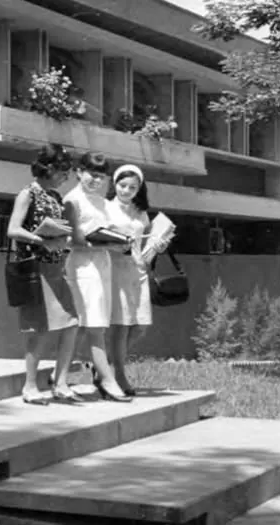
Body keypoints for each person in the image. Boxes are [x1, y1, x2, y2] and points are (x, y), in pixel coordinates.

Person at [6, 144, 81, 405]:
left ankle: (60, 382)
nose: (65, 178)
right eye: (63, 172)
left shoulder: (56, 198)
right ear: (48, 169)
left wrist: (64, 239)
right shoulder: (28, 194)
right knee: (40, 330)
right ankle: (29, 386)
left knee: (71, 324)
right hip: (37, 269)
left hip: (57, 268)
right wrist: (41, 240)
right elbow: (13, 230)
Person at [62, 152, 131, 402]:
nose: (95, 181)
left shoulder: (101, 202)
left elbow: (112, 231)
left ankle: (59, 375)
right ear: (79, 172)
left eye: (101, 177)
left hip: (102, 266)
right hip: (82, 267)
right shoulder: (72, 200)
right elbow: (69, 240)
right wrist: (105, 245)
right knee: (93, 325)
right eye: (91, 174)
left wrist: (121, 242)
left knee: (91, 322)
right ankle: (107, 379)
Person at [105, 164, 173, 396]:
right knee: (121, 325)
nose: (126, 191)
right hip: (116, 268)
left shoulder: (141, 211)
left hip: (139, 269)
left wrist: (158, 246)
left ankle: (103, 363)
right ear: (114, 184)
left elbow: (145, 244)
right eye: (122, 185)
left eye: (132, 187)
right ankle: (119, 375)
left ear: (139, 189)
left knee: (140, 325)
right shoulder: (105, 208)